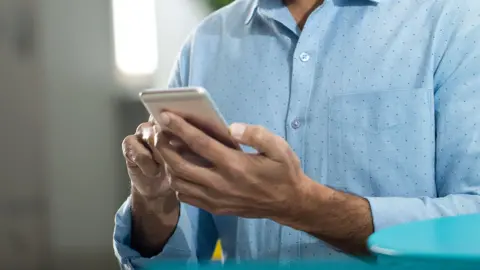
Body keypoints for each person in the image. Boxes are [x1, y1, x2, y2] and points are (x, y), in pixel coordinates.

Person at [114, 0, 480, 268]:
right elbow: (176, 260)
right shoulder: (207, 42)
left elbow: (472, 224)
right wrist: (153, 201)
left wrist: (301, 205)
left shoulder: (456, 23)